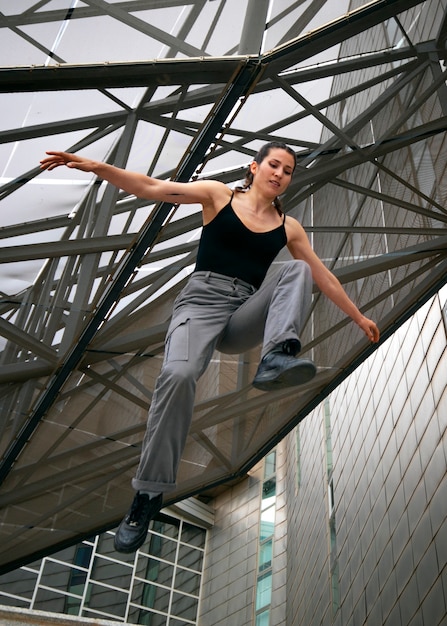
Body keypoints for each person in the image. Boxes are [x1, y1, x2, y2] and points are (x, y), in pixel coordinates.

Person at [40, 142, 380, 553]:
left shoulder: (289, 227)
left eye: (288, 171)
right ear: (254, 168)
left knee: (297, 268)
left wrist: (358, 316)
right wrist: (95, 166)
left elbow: (322, 277)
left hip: (244, 313)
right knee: (178, 376)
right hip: (200, 304)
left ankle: (276, 356)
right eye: (273, 165)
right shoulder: (218, 195)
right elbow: (150, 187)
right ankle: (147, 495)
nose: (279, 174)